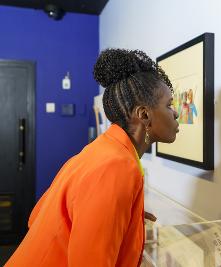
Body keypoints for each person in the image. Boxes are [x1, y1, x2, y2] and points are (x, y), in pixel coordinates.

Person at [6, 49, 179, 267]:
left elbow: (39, 215)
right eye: (169, 105)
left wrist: (119, 213)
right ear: (144, 115)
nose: (176, 113)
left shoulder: (103, 149)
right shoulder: (117, 166)